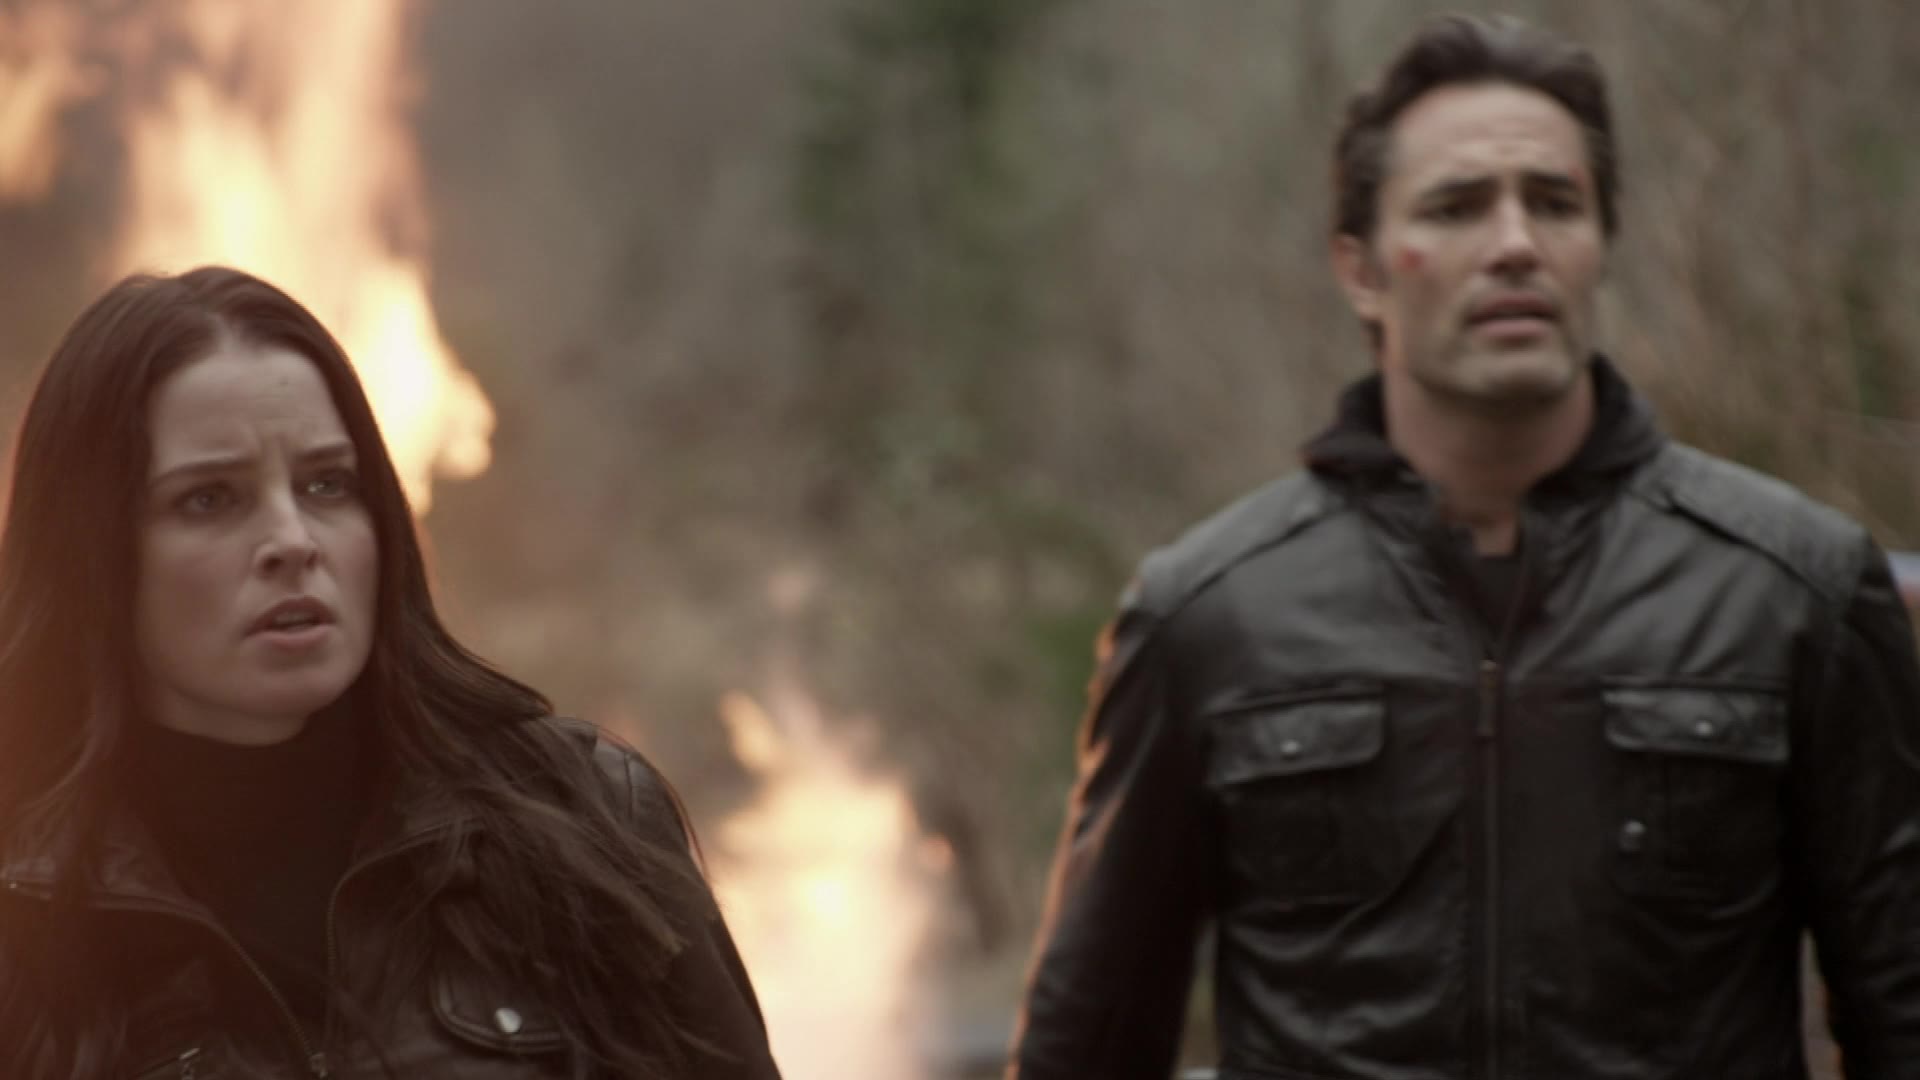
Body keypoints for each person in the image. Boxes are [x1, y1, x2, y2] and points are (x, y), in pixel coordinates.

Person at [1009, 13, 1920, 1079]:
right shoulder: (1209, 616)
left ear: (1599, 246)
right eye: (1456, 206)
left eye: (1555, 203)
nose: (1516, 243)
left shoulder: (1793, 589)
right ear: (1361, 270)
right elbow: (1087, 1045)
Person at [0, 266, 784, 1079]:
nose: (293, 539)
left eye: (327, 484)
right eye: (209, 499)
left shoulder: (585, 824)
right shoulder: (22, 915)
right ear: (89, 553)